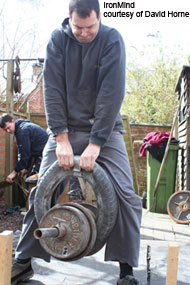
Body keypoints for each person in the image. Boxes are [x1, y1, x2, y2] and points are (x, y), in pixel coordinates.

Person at [11, 1, 142, 284]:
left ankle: (126, 270)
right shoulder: (58, 40)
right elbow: (53, 90)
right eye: (78, 27)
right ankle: (23, 261)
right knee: (41, 191)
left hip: (104, 131)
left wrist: (96, 143)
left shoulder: (111, 40)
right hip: (65, 131)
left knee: (127, 197)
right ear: (69, 20)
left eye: (90, 27)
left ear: (100, 18)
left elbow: (112, 93)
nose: (83, 33)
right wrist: (60, 137)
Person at [0, 114, 48, 182]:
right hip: (42, 153)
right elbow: (29, 152)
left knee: (34, 180)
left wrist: (14, 172)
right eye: (5, 130)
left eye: (8, 127)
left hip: (47, 154)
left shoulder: (22, 131)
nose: (8, 131)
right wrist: (26, 168)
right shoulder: (23, 127)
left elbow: (24, 155)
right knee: (32, 178)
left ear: (13, 121)